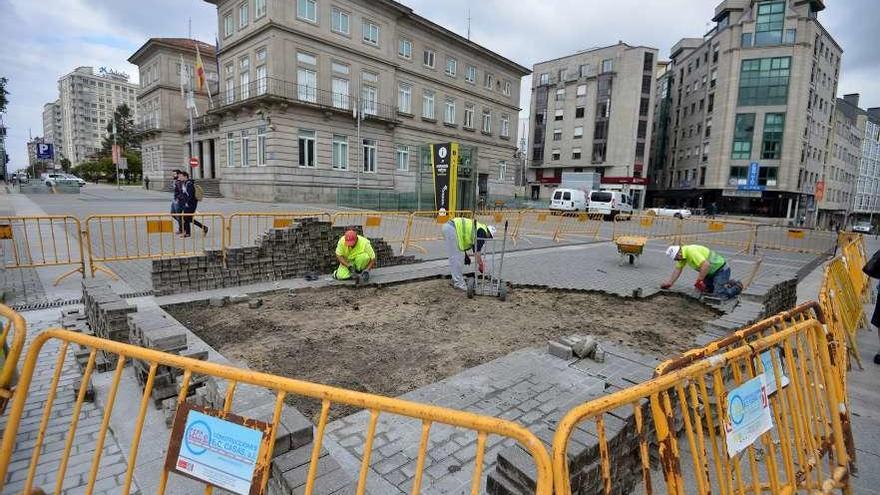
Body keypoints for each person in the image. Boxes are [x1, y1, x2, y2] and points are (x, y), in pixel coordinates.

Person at [661, 244, 740, 298]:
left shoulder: (691, 252)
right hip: (710, 273)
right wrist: (670, 283)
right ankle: (728, 283)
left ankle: (737, 287)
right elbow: (678, 269)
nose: (677, 260)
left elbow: (706, 265)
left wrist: (699, 281)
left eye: (676, 258)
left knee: (719, 294)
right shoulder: (682, 255)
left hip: (721, 270)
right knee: (705, 291)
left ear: (679, 253)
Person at [442, 216, 497, 290]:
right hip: (452, 229)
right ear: (489, 234)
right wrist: (481, 264)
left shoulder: (480, 228)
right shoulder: (482, 232)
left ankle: (457, 278)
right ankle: (458, 283)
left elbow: (465, 238)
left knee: (457, 257)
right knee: (455, 258)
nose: (487, 239)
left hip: (451, 228)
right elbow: (477, 252)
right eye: (489, 237)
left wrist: (465, 255)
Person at [178, 170, 208, 238]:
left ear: (185, 176)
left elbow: (191, 195)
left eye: (181, 176)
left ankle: (188, 233)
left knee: (186, 218)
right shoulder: (185, 183)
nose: (180, 178)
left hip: (191, 204)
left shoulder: (190, 184)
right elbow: (185, 194)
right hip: (187, 204)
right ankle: (204, 228)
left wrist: (187, 203)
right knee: (188, 219)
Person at [170, 170, 184, 234]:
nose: (173, 175)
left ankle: (181, 229)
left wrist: (178, 199)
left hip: (178, 201)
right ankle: (183, 225)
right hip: (174, 200)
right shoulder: (175, 181)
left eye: (174, 174)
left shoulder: (179, 182)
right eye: (173, 174)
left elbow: (182, 192)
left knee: (178, 216)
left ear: (178, 175)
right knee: (173, 213)